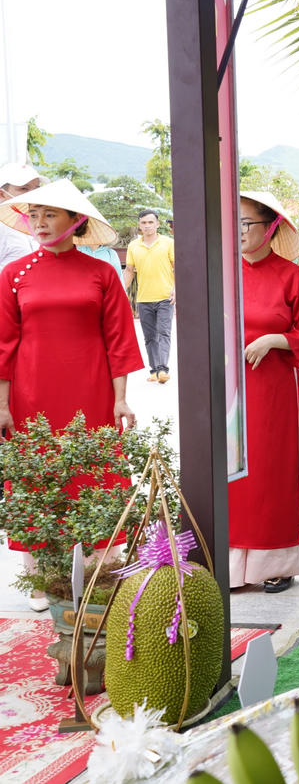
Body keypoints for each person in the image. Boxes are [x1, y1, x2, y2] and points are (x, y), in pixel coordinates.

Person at [0, 180, 143, 611]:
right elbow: (3, 344)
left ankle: (100, 570)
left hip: (91, 391)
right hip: (31, 395)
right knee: (37, 476)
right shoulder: (14, 273)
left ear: (75, 221)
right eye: (34, 215)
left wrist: (121, 398)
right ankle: (42, 577)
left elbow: (119, 339)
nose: (39, 223)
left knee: (94, 475)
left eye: (50, 214)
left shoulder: (102, 273)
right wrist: (2, 405)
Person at [229, 191, 299, 593]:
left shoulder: (290, 275)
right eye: (234, 223)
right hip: (229, 388)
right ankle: (231, 565)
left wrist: (273, 340)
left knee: (271, 472)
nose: (239, 231)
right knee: (230, 473)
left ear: (269, 228)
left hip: (273, 392)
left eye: (246, 223)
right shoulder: (222, 274)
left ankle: (276, 563)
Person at [123, 209, 175, 383]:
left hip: (165, 297)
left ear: (157, 224)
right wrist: (121, 292)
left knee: (164, 332)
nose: (147, 226)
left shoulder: (168, 243)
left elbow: (177, 267)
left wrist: (177, 288)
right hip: (144, 298)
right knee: (149, 336)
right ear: (139, 225)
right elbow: (129, 271)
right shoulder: (133, 246)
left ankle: (162, 369)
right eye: (144, 223)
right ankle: (154, 370)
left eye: (150, 222)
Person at [0, 164, 41, 267]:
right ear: (2, 194)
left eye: (36, 189)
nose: (33, 194)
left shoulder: (39, 224)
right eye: (24, 189)